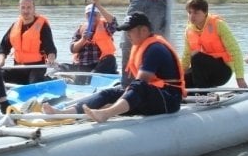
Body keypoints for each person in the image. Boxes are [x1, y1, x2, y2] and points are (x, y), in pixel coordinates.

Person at [42, 12, 184, 123]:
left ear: (144, 30)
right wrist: (113, 98)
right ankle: (64, 113)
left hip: (169, 99)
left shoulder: (155, 49)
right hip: (152, 95)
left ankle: (106, 113)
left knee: (138, 86)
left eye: (130, 31)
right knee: (108, 93)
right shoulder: (144, 46)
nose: (128, 35)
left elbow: (142, 82)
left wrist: (112, 105)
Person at [182, 0, 248, 89]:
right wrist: (178, 76)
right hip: (205, 70)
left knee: (196, 56)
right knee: (182, 80)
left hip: (223, 71)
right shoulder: (188, 30)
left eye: (196, 13)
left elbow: (235, 52)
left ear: (205, 13)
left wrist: (240, 78)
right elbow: (186, 56)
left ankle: (203, 94)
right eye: (189, 12)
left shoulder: (218, 25)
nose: (192, 16)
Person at [0, 0, 57, 85]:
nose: (26, 11)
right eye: (23, 7)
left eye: (29, 7)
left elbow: (50, 47)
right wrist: (1, 60)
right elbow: (4, 45)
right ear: (19, 9)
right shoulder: (15, 25)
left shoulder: (42, 25)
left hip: (36, 67)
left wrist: (51, 58)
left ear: (34, 9)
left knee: (33, 83)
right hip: (18, 66)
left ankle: (47, 80)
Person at [58, 0, 118, 76]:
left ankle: (91, 76)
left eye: (94, 15)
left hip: (98, 65)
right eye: (89, 15)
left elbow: (113, 23)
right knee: (61, 67)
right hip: (82, 66)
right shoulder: (80, 30)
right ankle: (84, 76)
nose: (92, 18)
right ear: (86, 16)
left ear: (99, 16)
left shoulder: (105, 27)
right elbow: (73, 49)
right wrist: (83, 39)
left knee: (110, 59)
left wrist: (98, 6)